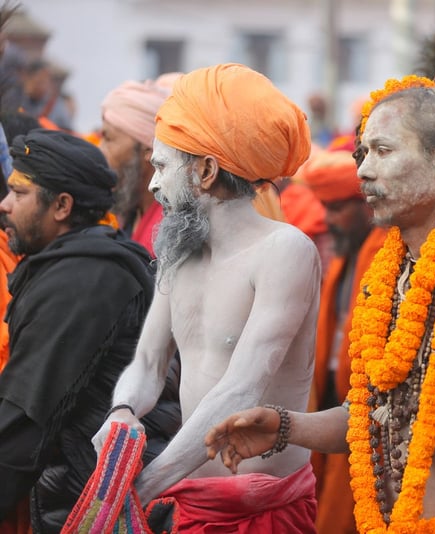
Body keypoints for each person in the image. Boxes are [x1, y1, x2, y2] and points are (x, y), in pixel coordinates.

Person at [205, 75, 435, 533]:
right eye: (363, 154)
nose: (362, 170)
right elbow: (374, 418)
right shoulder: (387, 277)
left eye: (383, 151)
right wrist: (283, 426)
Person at [92, 63, 318, 532]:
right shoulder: (179, 255)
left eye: (161, 167)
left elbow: (241, 391)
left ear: (206, 170)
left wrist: (145, 486)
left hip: (265, 508)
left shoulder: (285, 250)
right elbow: (149, 364)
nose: (153, 185)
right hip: (192, 503)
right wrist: (123, 411)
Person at [0, 129, 179, 532]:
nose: (5, 205)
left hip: (99, 498)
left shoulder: (83, 280)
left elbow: (25, 417)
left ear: (61, 206)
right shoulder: (81, 264)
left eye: (19, 193)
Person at [302, 148, 387, 534]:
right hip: (333, 412)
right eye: (325, 207)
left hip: (369, 420)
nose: (328, 220)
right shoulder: (343, 258)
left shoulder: (387, 256)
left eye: (338, 208)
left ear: (366, 204)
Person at [99, 77, 175, 257]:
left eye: (108, 139)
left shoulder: (170, 231)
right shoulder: (129, 215)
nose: (99, 151)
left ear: (149, 149)